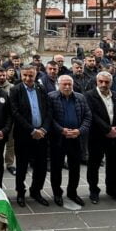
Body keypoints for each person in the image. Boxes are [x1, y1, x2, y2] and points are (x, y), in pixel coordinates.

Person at [10, 64, 53, 207]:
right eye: (25, 75)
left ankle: (36, 191)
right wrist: (32, 130)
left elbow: (48, 110)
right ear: (21, 75)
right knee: (22, 166)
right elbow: (15, 112)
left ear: (36, 75)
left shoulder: (41, 89)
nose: (28, 78)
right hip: (24, 135)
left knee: (41, 166)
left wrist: (44, 129)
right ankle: (20, 193)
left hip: (42, 135)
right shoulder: (15, 90)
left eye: (31, 75)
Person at [49, 74, 92, 207]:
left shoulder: (80, 97)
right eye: (64, 84)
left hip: (76, 138)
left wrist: (79, 131)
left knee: (75, 168)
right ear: (58, 85)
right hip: (58, 139)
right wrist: (61, 130)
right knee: (56, 168)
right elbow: (49, 117)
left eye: (70, 84)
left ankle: (72, 192)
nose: (67, 87)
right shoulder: (51, 97)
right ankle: (57, 193)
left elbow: (88, 116)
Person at [85, 72, 116, 204]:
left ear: (111, 83)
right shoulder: (89, 95)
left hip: (115, 137)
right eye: (101, 81)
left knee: (113, 165)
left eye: (107, 82)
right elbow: (92, 115)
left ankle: (112, 190)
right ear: (97, 81)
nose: (104, 84)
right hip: (97, 136)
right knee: (94, 165)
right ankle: (94, 190)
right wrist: (108, 129)